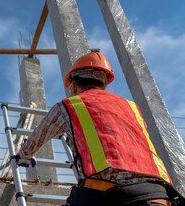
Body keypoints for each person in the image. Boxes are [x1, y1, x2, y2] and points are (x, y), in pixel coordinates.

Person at [17, 50, 184, 206]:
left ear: (74, 86)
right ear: (103, 83)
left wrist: (24, 155)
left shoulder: (69, 106)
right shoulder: (132, 107)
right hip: (159, 195)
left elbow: (37, 137)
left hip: (109, 194)